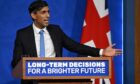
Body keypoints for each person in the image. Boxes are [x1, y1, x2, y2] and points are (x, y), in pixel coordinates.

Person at [11, 0, 121, 84]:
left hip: (55, 80)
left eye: (48, 12)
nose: (48, 15)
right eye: (43, 12)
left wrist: (101, 51)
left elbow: (75, 46)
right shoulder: (22, 34)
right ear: (34, 15)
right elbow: (15, 62)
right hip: (32, 82)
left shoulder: (56, 31)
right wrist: (27, 65)